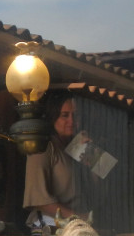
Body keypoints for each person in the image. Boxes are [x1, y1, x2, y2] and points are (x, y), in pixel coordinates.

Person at [22, 93, 89, 225]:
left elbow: (108, 187)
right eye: (65, 115)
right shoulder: (42, 147)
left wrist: (92, 155)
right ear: (53, 117)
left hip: (78, 224)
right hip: (51, 225)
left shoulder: (78, 145)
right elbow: (39, 200)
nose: (71, 121)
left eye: (76, 116)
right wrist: (78, 218)